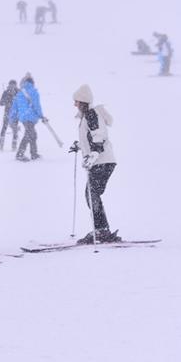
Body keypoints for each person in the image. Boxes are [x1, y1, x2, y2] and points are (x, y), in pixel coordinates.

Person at [71, 84, 120, 244]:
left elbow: (99, 135)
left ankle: (101, 230)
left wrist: (94, 153)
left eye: (76, 101)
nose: (74, 104)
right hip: (101, 161)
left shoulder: (92, 114)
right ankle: (101, 229)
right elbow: (91, 137)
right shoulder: (88, 115)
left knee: (92, 195)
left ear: (83, 101)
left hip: (102, 161)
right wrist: (80, 146)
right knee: (92, 194)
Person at [9, 74, 46, 161]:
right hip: (31, 116)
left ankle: (33, 154)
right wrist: (41, 116)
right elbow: (37, 105)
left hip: (23, 117)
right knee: (29, 135)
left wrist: (12, 119)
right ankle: (20, 154)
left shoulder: (19, 93)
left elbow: (14, 107)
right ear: (32, 82)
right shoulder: (33, 91)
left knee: (32, 134)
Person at [0, 80, 20, 151]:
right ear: (9, 85)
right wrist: (6, 101)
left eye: (14, 85)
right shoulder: (6, 92)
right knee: (4, 129)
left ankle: (14, 147)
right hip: (7, 114)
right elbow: (1, 103)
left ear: (16, 85)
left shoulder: (18, 92)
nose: (12, 86)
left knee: (15, 130)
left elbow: (22, 103)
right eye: (11, 85)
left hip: (15, 115)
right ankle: (1, 146)